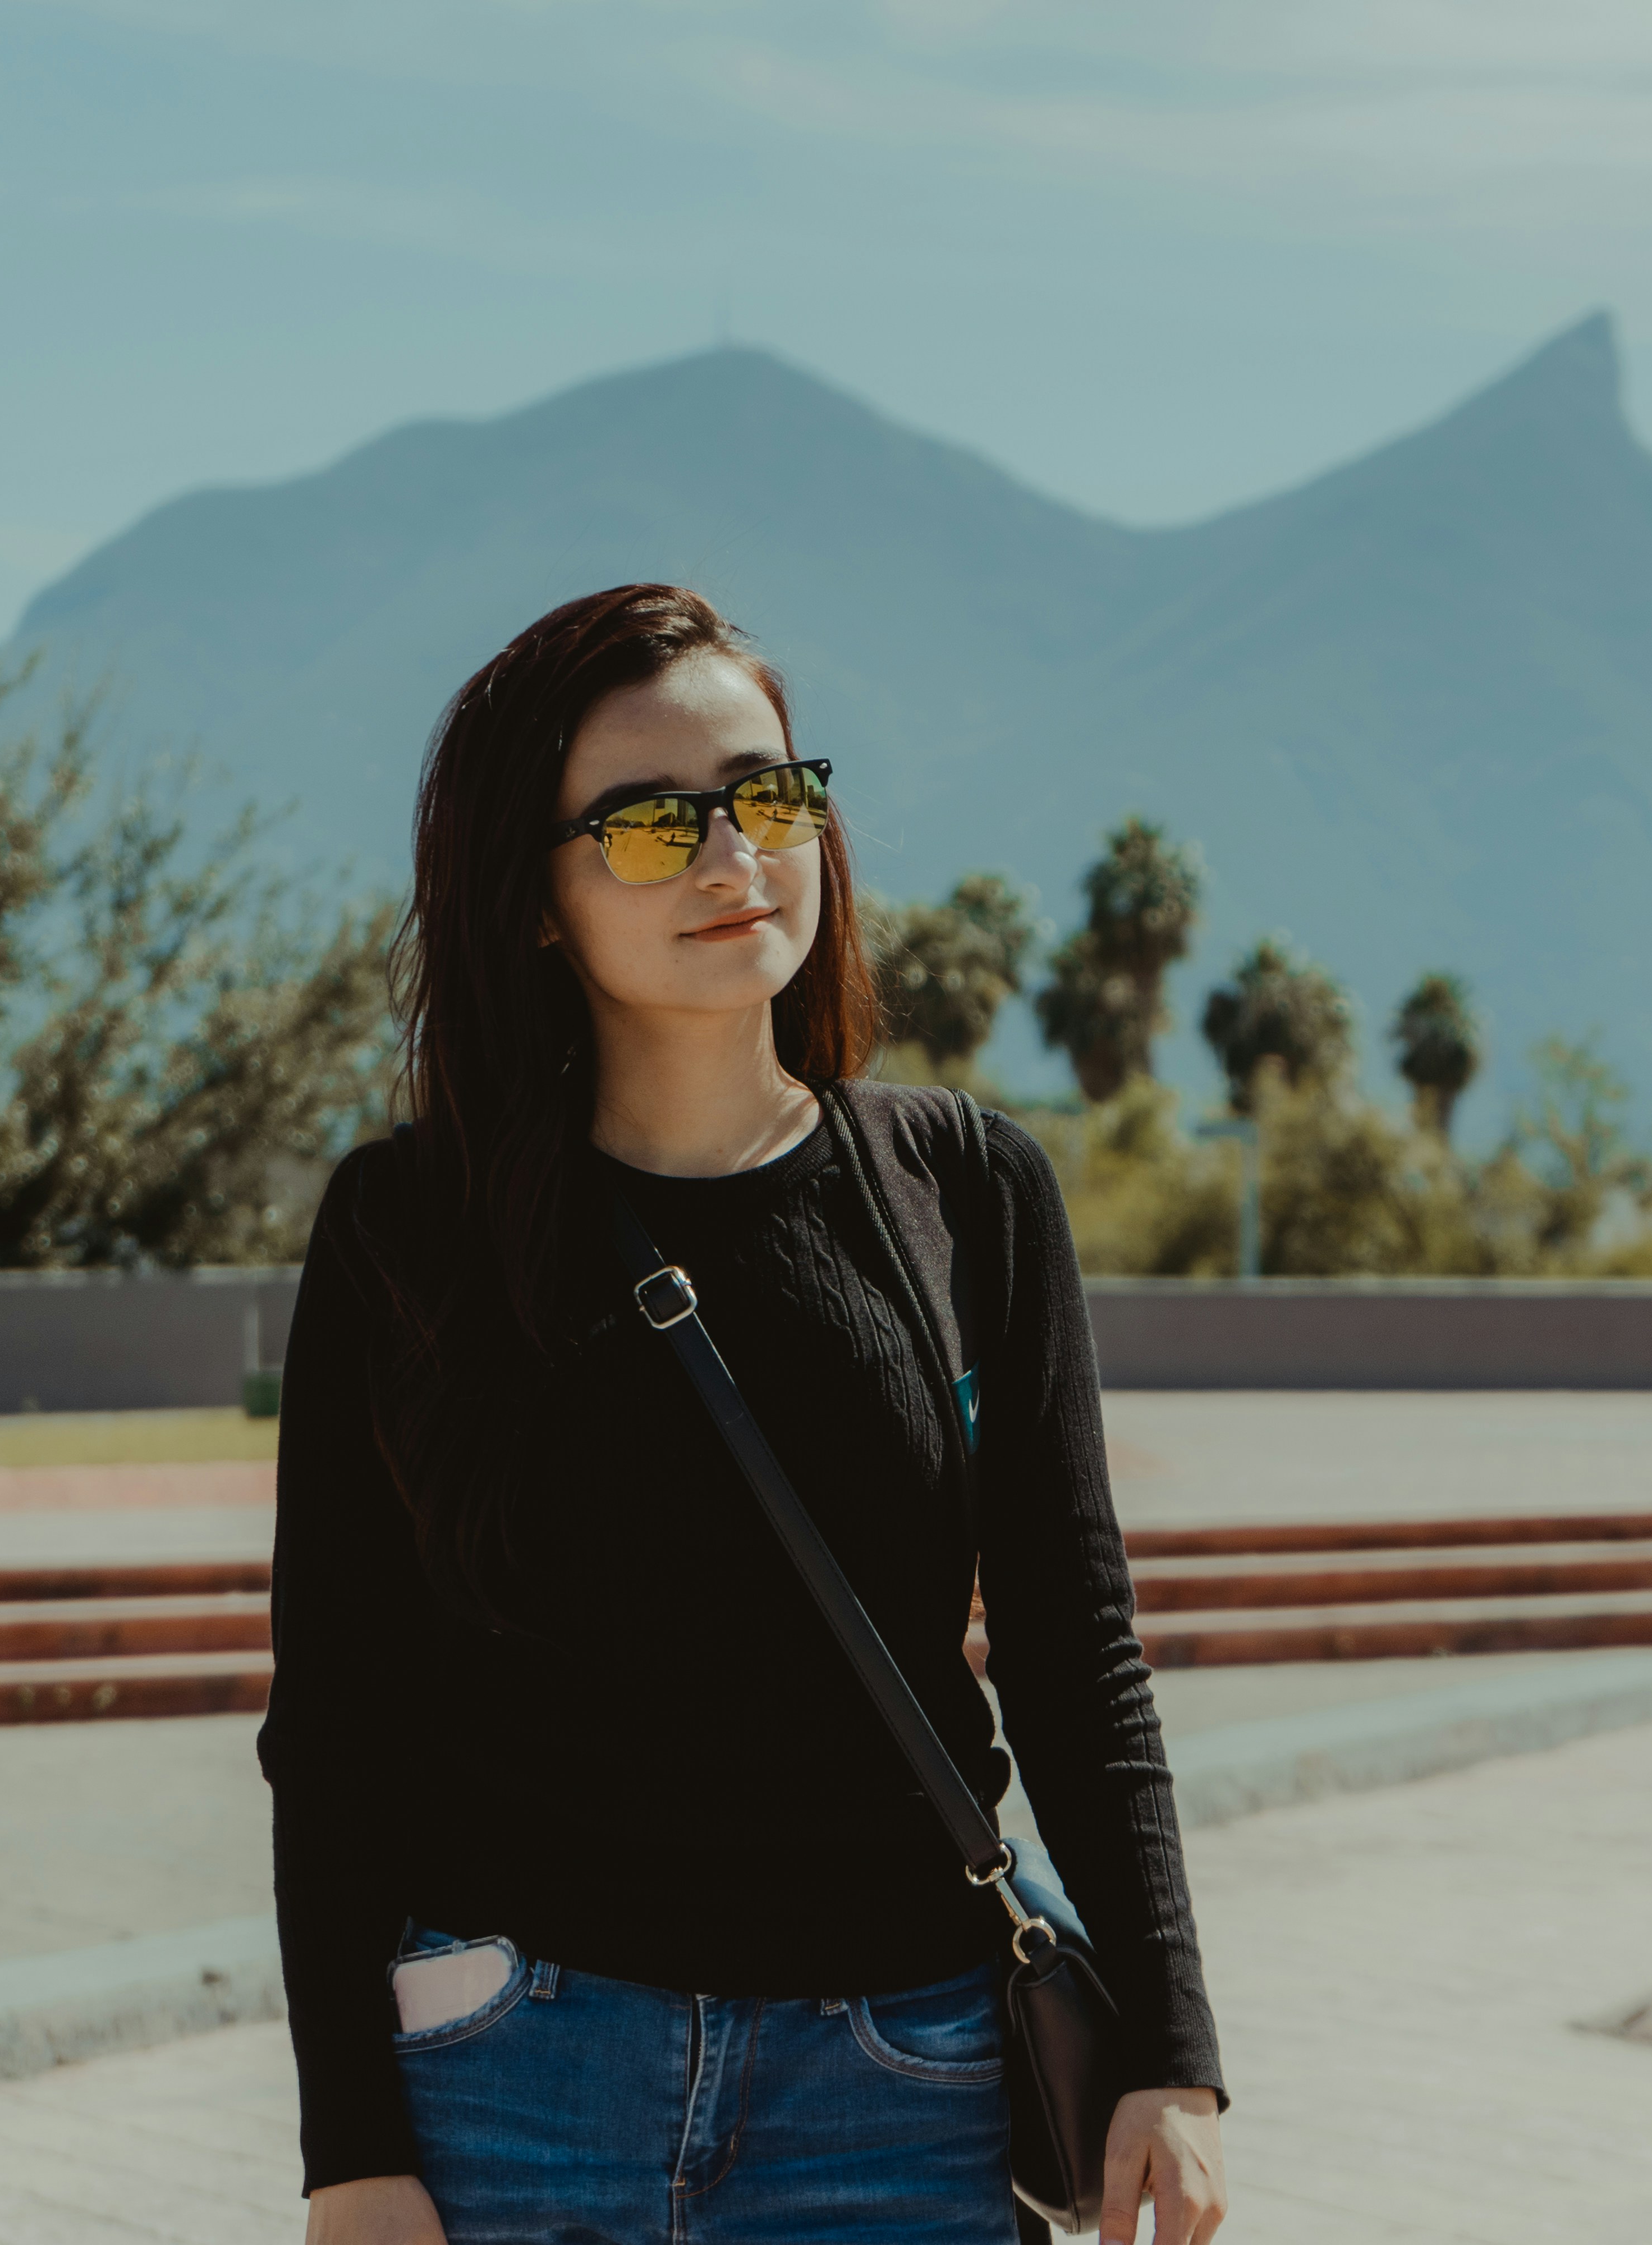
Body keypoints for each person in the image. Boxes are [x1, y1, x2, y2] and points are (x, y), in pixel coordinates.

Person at [263, 584, 1229, 2245]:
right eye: (650, 825)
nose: (734, 859)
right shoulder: (409, 1232)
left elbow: (1079, 1655)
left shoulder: (968, 1193)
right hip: (517, 2075)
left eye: (768, 798)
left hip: (903, 2086)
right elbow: (338, 1714)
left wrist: (1176, 2057)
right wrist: (351, 2152)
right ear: (538, 901)